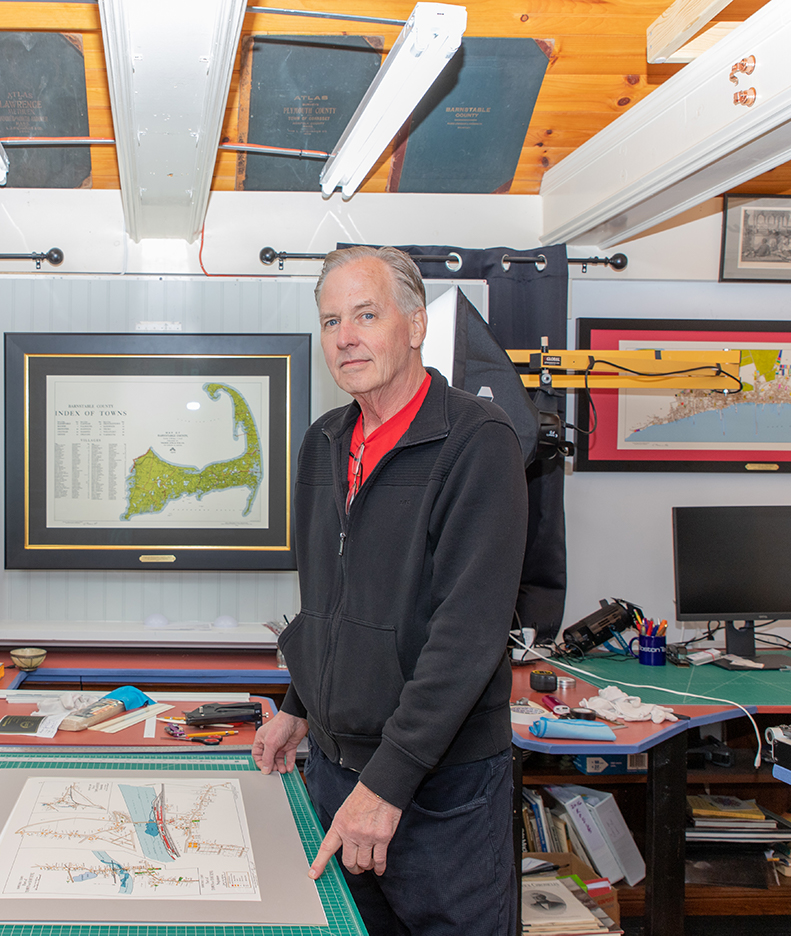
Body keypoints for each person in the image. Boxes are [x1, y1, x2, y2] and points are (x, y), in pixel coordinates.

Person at [253, 245, 528, 936]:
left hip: (441, 793)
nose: (345, 337)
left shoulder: (476, 441)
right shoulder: (323, 443)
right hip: (338, 778)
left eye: (366, 314)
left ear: (415, 324)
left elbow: (467, 637)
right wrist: (298, 704)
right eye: (330, 320)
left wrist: (388, 782)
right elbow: (331, 604)